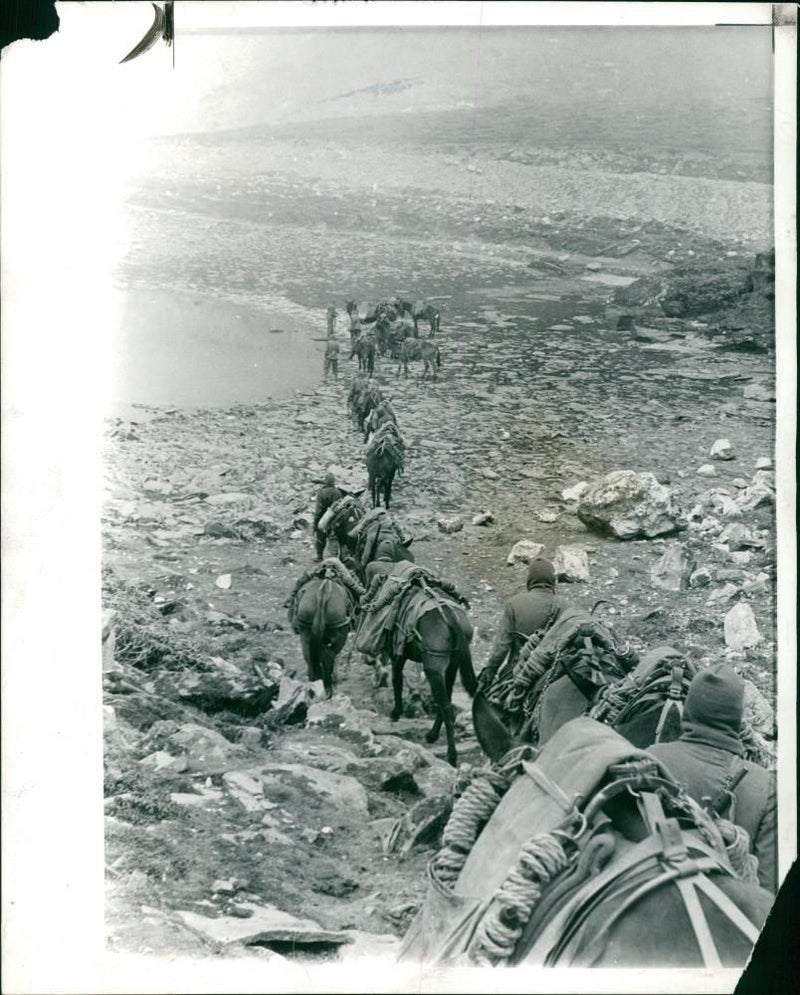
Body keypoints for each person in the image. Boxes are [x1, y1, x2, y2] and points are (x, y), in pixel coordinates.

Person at [648, 663, 777, 894]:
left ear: (690, 708)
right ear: (736, 717)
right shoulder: (763, 784)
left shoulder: (652, 758)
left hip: (656, 907)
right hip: (733, 918)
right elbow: (768, 890)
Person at [477, 557, 560, 693]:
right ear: (553, 580)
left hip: (517, 674)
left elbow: (501, 648)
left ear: (530, 579)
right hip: (552, 678)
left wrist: (490, 673)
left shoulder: (514, 604)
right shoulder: (566, 607)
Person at [312, 473, 344, 561]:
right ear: (334, 482)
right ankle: (333, 559)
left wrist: (315, 522)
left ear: (325, 481)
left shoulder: (321, 492)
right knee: (333, 539)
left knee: (320, 537)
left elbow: (318, 510)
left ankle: (319, 556)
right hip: (335, 518)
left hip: (323, 517)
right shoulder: (338, 492)